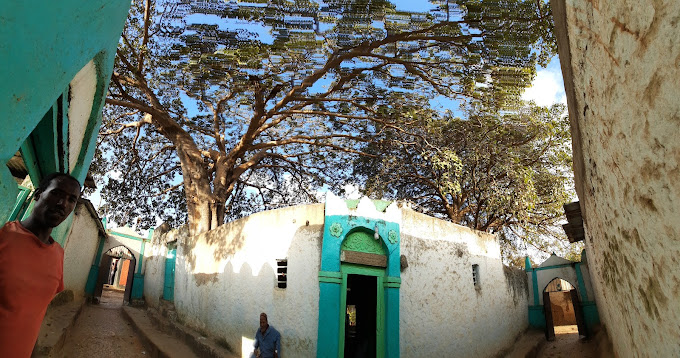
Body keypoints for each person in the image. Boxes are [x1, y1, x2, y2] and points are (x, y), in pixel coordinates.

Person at [0, 172, 81, 357]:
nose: (63, 204)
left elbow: (34, 313)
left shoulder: (58, 254)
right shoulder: (5, 236)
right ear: (38, 195)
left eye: (71, 199)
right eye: (56, 194)